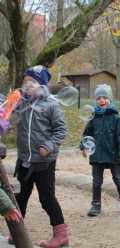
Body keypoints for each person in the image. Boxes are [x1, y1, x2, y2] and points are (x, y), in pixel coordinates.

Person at [10, 65, 68, 248]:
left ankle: (61, 235)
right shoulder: (21, 103)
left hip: (44, 161)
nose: (27, 84)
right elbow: (7, 113)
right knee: (20, 197)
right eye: (25, 80)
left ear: (41, 86)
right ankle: (17, 232)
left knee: (47, 198)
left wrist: (48, 146)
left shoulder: (51, 105)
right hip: (25, 159)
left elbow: (61, 130)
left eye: (32, 81)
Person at [80, 84, 120, 216]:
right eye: (99, 98)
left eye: (105, 98)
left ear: (110, 100)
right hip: (96, 154)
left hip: (112, 153)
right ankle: (96, 205)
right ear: (95, 100)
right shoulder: (93, 118)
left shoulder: (115, 117)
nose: (101, 101)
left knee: (118, 179)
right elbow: (87, 134)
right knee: (97, 181)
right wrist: (84, 146)